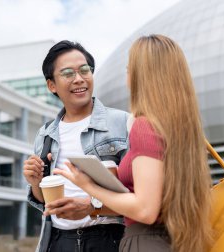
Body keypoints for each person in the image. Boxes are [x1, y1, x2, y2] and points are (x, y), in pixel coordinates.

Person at [52, 35, 213, 252]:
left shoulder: (145, 126)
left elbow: (145, 210)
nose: (127, 76)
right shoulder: (184, 129)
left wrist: (88, 185)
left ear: (142, 75)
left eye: (129, 69)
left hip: (145, 241)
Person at [23, 40, 129, 252]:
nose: (79, 79)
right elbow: (44, 201)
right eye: (68, 73)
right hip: (57, 241)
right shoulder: (44, 134)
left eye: (84, 70)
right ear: (51, 85)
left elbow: (140, 196)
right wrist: (35, 183)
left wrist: (92, 207)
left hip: (109, 240)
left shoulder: (123, 122)